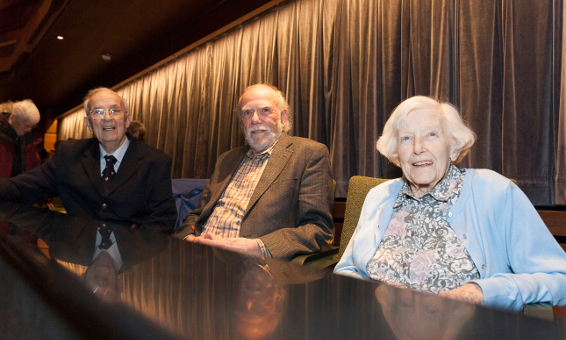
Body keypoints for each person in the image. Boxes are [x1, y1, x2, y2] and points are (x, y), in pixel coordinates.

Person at [334, 96, 566, 311]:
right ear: (396, 154)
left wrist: (481, 292)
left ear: (453, 147)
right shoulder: (379, 196)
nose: (418, 148)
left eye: (431, 134)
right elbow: (345, 269)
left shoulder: (493, 191)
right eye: (406, 138)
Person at [176, 84, 334, 260]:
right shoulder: (226, 159)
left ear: (283, 118)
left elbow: (318, 229)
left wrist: (259, 247)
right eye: (247, 113)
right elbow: (197, 215)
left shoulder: (309, 153)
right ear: (241, 123)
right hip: (196, 256)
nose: (255, 119)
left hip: (249, 268)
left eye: (265, 110)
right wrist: (186, 238)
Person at [0, 88, 177, 233]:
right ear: (88, 123)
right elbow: (21, 187)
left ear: (127, 119)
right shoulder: (69, 155)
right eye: (98, 112)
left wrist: (127, 258)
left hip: (130, 265)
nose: (107, 117)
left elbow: (162, 221)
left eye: (115, 110)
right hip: (76, 258)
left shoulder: (156, 162)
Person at [0, 99, 43, 178]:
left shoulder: (30, 139)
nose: (29, 130)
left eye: (32, 126)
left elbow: (35, 165)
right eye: (26, 125)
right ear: (14, 118)